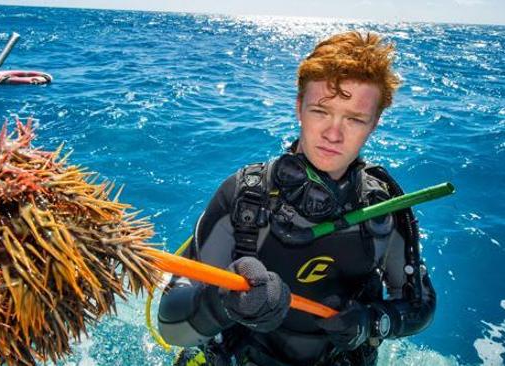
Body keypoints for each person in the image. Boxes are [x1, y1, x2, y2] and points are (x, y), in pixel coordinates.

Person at [157, 31, 436, 366]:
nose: (334, 134)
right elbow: (169, 327)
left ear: (374, 124)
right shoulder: (247, 197)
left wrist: (371, 322)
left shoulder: (382, 211)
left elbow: (419, 306)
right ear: (299, 108)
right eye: (321, 111)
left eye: (354, 119)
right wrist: (225, 303)